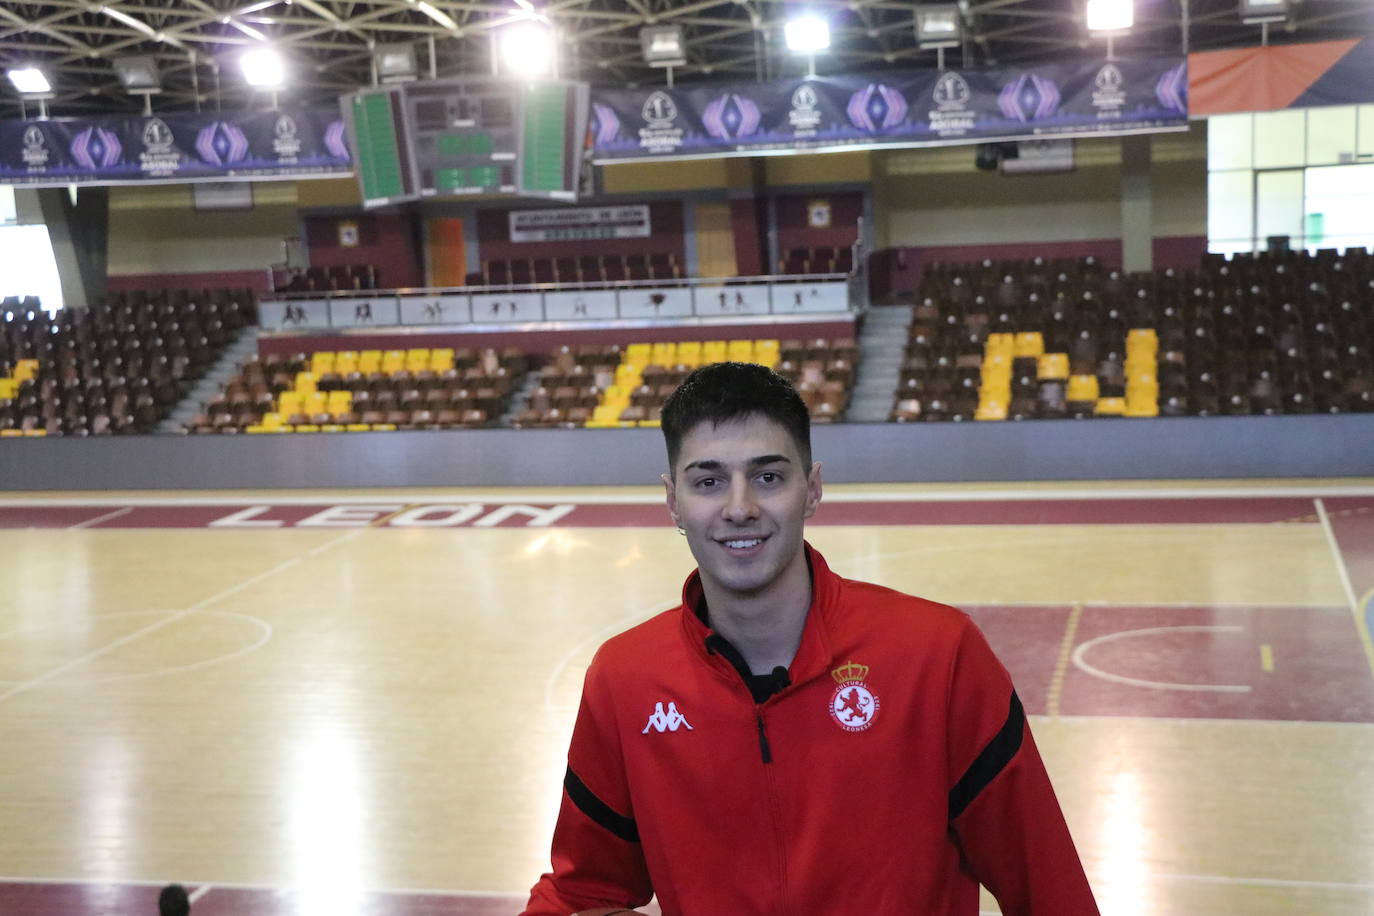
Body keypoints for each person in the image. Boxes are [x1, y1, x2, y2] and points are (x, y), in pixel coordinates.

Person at [522, 362, 1097, 916]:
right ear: (673, 500)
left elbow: (1048, 889)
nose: (740, 507)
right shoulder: (626, 680)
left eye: (768, 477)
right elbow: (582, 891)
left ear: (813, 489)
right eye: (709, 481)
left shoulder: (936, 656)